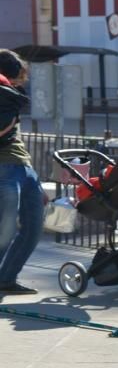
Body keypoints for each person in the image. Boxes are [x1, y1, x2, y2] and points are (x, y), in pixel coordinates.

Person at [0, 50, 44, 296]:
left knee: (33, 227)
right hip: (3, 169)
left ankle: (6, 279)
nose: (20, 84)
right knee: (4, 232)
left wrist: (32, 176)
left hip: (22, 167)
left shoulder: (9, 100)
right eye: (19, 78)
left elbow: (16, 140)